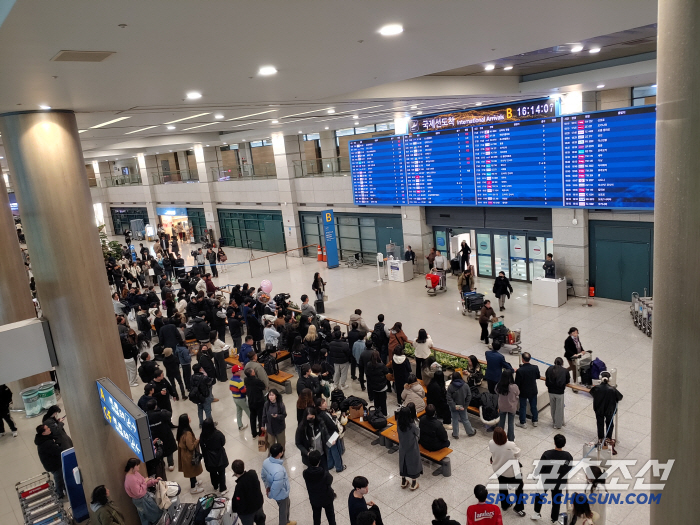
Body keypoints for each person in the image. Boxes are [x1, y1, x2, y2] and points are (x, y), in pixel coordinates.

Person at [531, 433, 574, 522]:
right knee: (556, 499)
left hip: (545, 480)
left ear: (554, 443)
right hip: (559, 482)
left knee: (539, 496)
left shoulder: (547, 454)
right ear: (564, 444)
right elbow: (569, 468)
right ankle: (554, 518)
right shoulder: (568, 456)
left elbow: (540, 467)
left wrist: (535, 475)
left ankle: (536, 513)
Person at [488, 427, 525, 517]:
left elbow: (492, 452)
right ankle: (518, 508)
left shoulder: (491, 443)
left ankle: (505, 505)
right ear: (505, 435)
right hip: (512, 472)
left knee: (503, 487)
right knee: (519, 487)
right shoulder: (511, 445)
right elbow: (518, 453)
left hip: (499, 470)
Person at [262, 443, 296, 525]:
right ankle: (284, 523)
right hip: (281, 495)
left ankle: (287, 521)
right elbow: (277, 487)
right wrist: (270, 495)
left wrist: (267, 487)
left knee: (287, 505)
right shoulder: (279, 470)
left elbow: (263, 476)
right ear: (280, 453)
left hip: (276, 492)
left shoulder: (266, 462)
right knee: (283, 512)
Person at [124, 457, 163, 524]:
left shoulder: (135, 473)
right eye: (137, 465)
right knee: (153, 515)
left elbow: (144, 482)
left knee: (151, 515)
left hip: (145, 497)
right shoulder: (130, 480)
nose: (139, 466)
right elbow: (139, 493)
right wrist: (145, 482)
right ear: (133, 466)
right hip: (142, 500)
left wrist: (155, 481)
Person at [303, 449, 337, 525]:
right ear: (319, 461)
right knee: (331, 517)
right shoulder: (325, 474)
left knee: (316, 517)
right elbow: (330, 481)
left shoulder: (305, 473)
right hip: (327, 498)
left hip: (314, 499)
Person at [590, 372, 623, 444]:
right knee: (610, 423)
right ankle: (608, 438)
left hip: (599, 409)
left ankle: (600, 438)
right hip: (609, 410)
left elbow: (591, 393)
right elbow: (620, 397)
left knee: (600, 423)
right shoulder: (613, 389)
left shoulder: (596, 388)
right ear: (609, 379)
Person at [231, 459, 266, 525]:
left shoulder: (239, 486)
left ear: (234, 471)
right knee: (261, 521)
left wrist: (236, 509)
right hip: (258, 505)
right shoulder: (253, 473)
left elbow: (239, 502)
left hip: (248, 512)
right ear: (244, 467)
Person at [145, 398, 177, 471]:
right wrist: (162, 410)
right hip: (165, 435)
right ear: (155, 406)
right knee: (169, 448)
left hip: (156, 438)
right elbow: (169, 414)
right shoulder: (160, 413)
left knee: (160, 448)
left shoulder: (146, 416)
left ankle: (161, 463)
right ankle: (170, 464)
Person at [176, 414, 204, 494]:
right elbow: (191, 447)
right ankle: (193, 488)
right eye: (188, 417)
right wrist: (197, 440)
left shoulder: (181, 430)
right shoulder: (187, 433)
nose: (190, 418)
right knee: (192, 471)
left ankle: (195, 482)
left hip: (184, 455)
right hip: (189, 456)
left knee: (192, 471)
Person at [316, 397, 346, 472]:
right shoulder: (325, 415)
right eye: (323, 403)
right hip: (332, 434)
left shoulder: (319, 414)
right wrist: (334, 416)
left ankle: (330, 465)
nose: (325, 403)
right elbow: (332, 424)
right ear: (319, 406)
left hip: (326, 435)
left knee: (329, 451)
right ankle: (339, 467)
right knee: (336, 451)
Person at [35, 424, 65, 499]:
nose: (49, 429)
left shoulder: (42, 439)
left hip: (50, 463)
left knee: (60, 477)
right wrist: (60, 446)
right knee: (58, 478)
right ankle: (59, 494)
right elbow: (57, 451)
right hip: (54, 464)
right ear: (43, 433)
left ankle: (64, 489)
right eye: (47, 428)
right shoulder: (46, 443)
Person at [200, 418, 229, 495]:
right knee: (221, 472)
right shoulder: (218, 433)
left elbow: (202, 447)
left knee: (212, 473)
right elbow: (223, 442)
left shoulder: (202, 436)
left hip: (209, 458)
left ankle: (215, 486)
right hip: (220, 456)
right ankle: (223, 488)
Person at [396, 405, 421, 490]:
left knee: (403, 462)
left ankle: (403, 481)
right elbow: (417, 433)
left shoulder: (398, 423)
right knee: (413, 463)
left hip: (402, 446)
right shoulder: (412, 425)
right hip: (412, 446)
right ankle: (413, 483)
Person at [446, 372, 476, 438]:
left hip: (454, 407)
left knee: (454, 419)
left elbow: (448, 397)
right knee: (465, 419)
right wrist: (465, 406)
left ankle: (455, 434)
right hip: (462, 405)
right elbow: (469, 396)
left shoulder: (451, 386)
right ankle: (470, 432)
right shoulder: (465, 385)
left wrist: (454, 405)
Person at [515, 352, 540, 428]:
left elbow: (517, 383)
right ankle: (535, 420)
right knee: (533, 406)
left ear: (522, 359)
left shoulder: (520, 371)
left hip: (523, 391)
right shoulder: (535, 367)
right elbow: (538, 376)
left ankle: (523, 422)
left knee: (522, 406)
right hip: (533, 390)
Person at [545, 357, 570, 429]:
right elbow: (567, 380)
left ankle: (554, 422)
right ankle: (558, 424)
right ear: (562, 363)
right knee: (559, 408)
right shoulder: (565, 371)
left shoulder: (549, 369)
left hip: (551, 391)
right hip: (559, 392)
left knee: (553, 407)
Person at [495, 369, 519, 442]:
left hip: (502, 406)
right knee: (510, 423)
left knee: (501, 422)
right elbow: (518, 393)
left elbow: (496, 391)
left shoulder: (499, 385)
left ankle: (500, 437)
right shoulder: (514, 387)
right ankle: (511, 438)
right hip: (512, 407)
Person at [365, 350, 390, 416]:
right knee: (383, 402)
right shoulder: (381, 365)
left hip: (373, 386)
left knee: (376, 401)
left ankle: (377, 413)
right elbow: (386, 371)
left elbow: (367, 373)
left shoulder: (369, 364)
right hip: (382, 386)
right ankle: (384, 414)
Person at [245, 367, 267, 438]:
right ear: (252, 373)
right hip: (259, 401)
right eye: (253, 371)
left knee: (253, 417)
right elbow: (263, 386)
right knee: (260, 417)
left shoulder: (246, 380)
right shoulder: (256, 381)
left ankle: (254, 433)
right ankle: (261, 432)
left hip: (251, 400)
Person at [229, 364, 250, 430]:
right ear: (236, 372)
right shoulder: (239, 381)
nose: (241, 371)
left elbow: (230, 388)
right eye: (239, 370)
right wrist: (246, 388)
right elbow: (243, 391)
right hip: (241, 399)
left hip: (235, 398)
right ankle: (255, 423)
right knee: (248, 411)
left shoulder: (231, 379)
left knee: (238, 412)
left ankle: (240, 425)